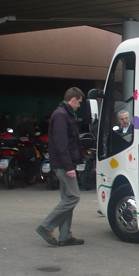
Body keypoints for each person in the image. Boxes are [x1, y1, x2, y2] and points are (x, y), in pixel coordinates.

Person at [36, 87, 85, 247]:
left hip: (64, 163)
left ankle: (65, 236)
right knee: (73, 197)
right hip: (64, 165)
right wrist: (69, 166)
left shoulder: (63, 114)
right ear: (73, 100)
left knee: (67, 199)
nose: (79, 105)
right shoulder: (62, 115)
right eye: (79, 102)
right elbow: (61, 143)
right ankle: (46, 227)